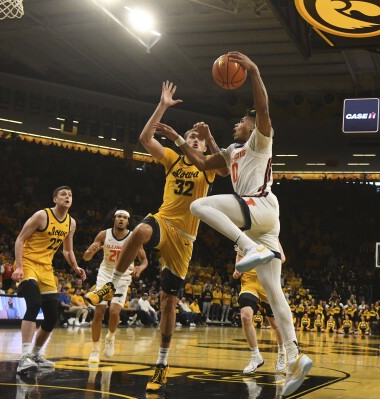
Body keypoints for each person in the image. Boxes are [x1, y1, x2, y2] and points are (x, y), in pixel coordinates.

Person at [153, 51, 312, 397]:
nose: (238, 123)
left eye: (242, 120)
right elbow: (204, 162)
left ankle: (247, 246)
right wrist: (179, 140)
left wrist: (253, 70)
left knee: (199, 205)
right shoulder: (231, 150)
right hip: (263, 220)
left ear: (253, 128)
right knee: (274, 291)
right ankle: (296, 355)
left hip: (260, 207)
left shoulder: (260, 139)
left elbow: (263, 109)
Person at [85, 81, 227, 393]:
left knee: (167, 305)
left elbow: (226, 166)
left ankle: (161, 364)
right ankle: (111, 283)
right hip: (163, 220)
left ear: (200, 147)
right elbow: (145, 138)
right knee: (140, 230)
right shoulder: (173, 161)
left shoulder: (207, 168)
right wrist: (162, 105)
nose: (193, 140)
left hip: (184, 238)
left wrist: (208, 137)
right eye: (190, 136)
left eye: (196, 140)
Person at [12, 186, 86, 373]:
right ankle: (24, 357)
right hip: (28, 263)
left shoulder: (71, 223)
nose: (67, 197)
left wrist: (75, 267)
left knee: (52, 315)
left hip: (46, 268)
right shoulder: (41, 216)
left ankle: (36, 355)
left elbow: (67, 250)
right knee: (34, 303)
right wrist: (19, 266)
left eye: (70, 195)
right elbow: (20, 239)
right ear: (54, 199)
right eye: (63, 194)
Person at [83, 209, 148, 363]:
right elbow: (86, 257)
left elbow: (144, 261)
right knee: (99, 311)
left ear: (128, 222)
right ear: (114, 219)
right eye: (119, 217)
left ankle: (110, 337)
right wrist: (90, 252)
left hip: (123, 277)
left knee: (113, 312)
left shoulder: (133, 237)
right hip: (105, 275)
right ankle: (94, 349)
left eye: (124, 218)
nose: (121, 219)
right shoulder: (103, 235)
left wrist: (140, 268)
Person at [232, 245, 286, 375]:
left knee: (274, 323)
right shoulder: (243, 235)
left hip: (266, 281)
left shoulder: (270, 232)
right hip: (249, 282)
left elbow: (282, 258)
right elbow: (239, 256)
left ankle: (282, 353)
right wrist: (237, 269)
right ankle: (256, 356)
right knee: (245, 316)